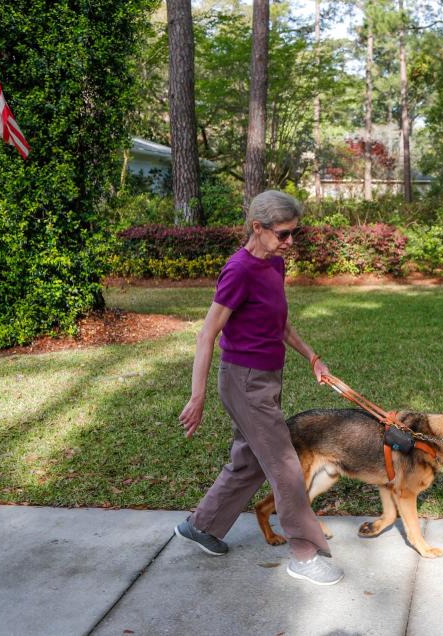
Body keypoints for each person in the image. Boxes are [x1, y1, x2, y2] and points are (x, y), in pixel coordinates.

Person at [175, 190, 343, 586]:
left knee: (250, 461)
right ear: (257, 228)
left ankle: (203, 526)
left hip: (267, 378)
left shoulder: (275, 265)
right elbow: (207, 334)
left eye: (293, 234)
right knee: (285, 464)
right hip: (244, 382)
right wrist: (197, 395)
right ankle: (305, 554)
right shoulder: (239, 269)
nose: (290, 243)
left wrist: (312, 356)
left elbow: (279, 323)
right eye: (283, 234)